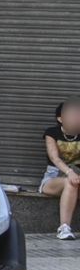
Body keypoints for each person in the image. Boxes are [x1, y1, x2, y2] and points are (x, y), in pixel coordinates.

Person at [43, 100, 80, 240]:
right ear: (60, 118)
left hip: (78, 177)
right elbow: (54, 158)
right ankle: (64, 228)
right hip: (53, 178)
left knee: (74, 182)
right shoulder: (52, 133)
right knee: (70, 182)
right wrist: (70, 172)